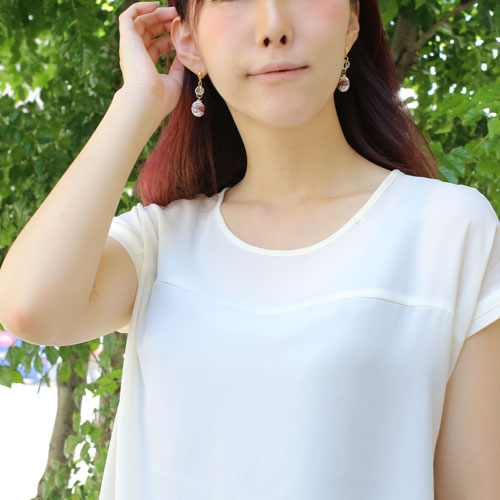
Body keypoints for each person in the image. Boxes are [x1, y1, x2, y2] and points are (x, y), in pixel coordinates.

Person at [0, 0, 499, 498]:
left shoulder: (449, 231)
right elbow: (31, 309)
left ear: (352, 21)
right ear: (187, 41)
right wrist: (137, 102)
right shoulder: (162, 242)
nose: (273, 27)